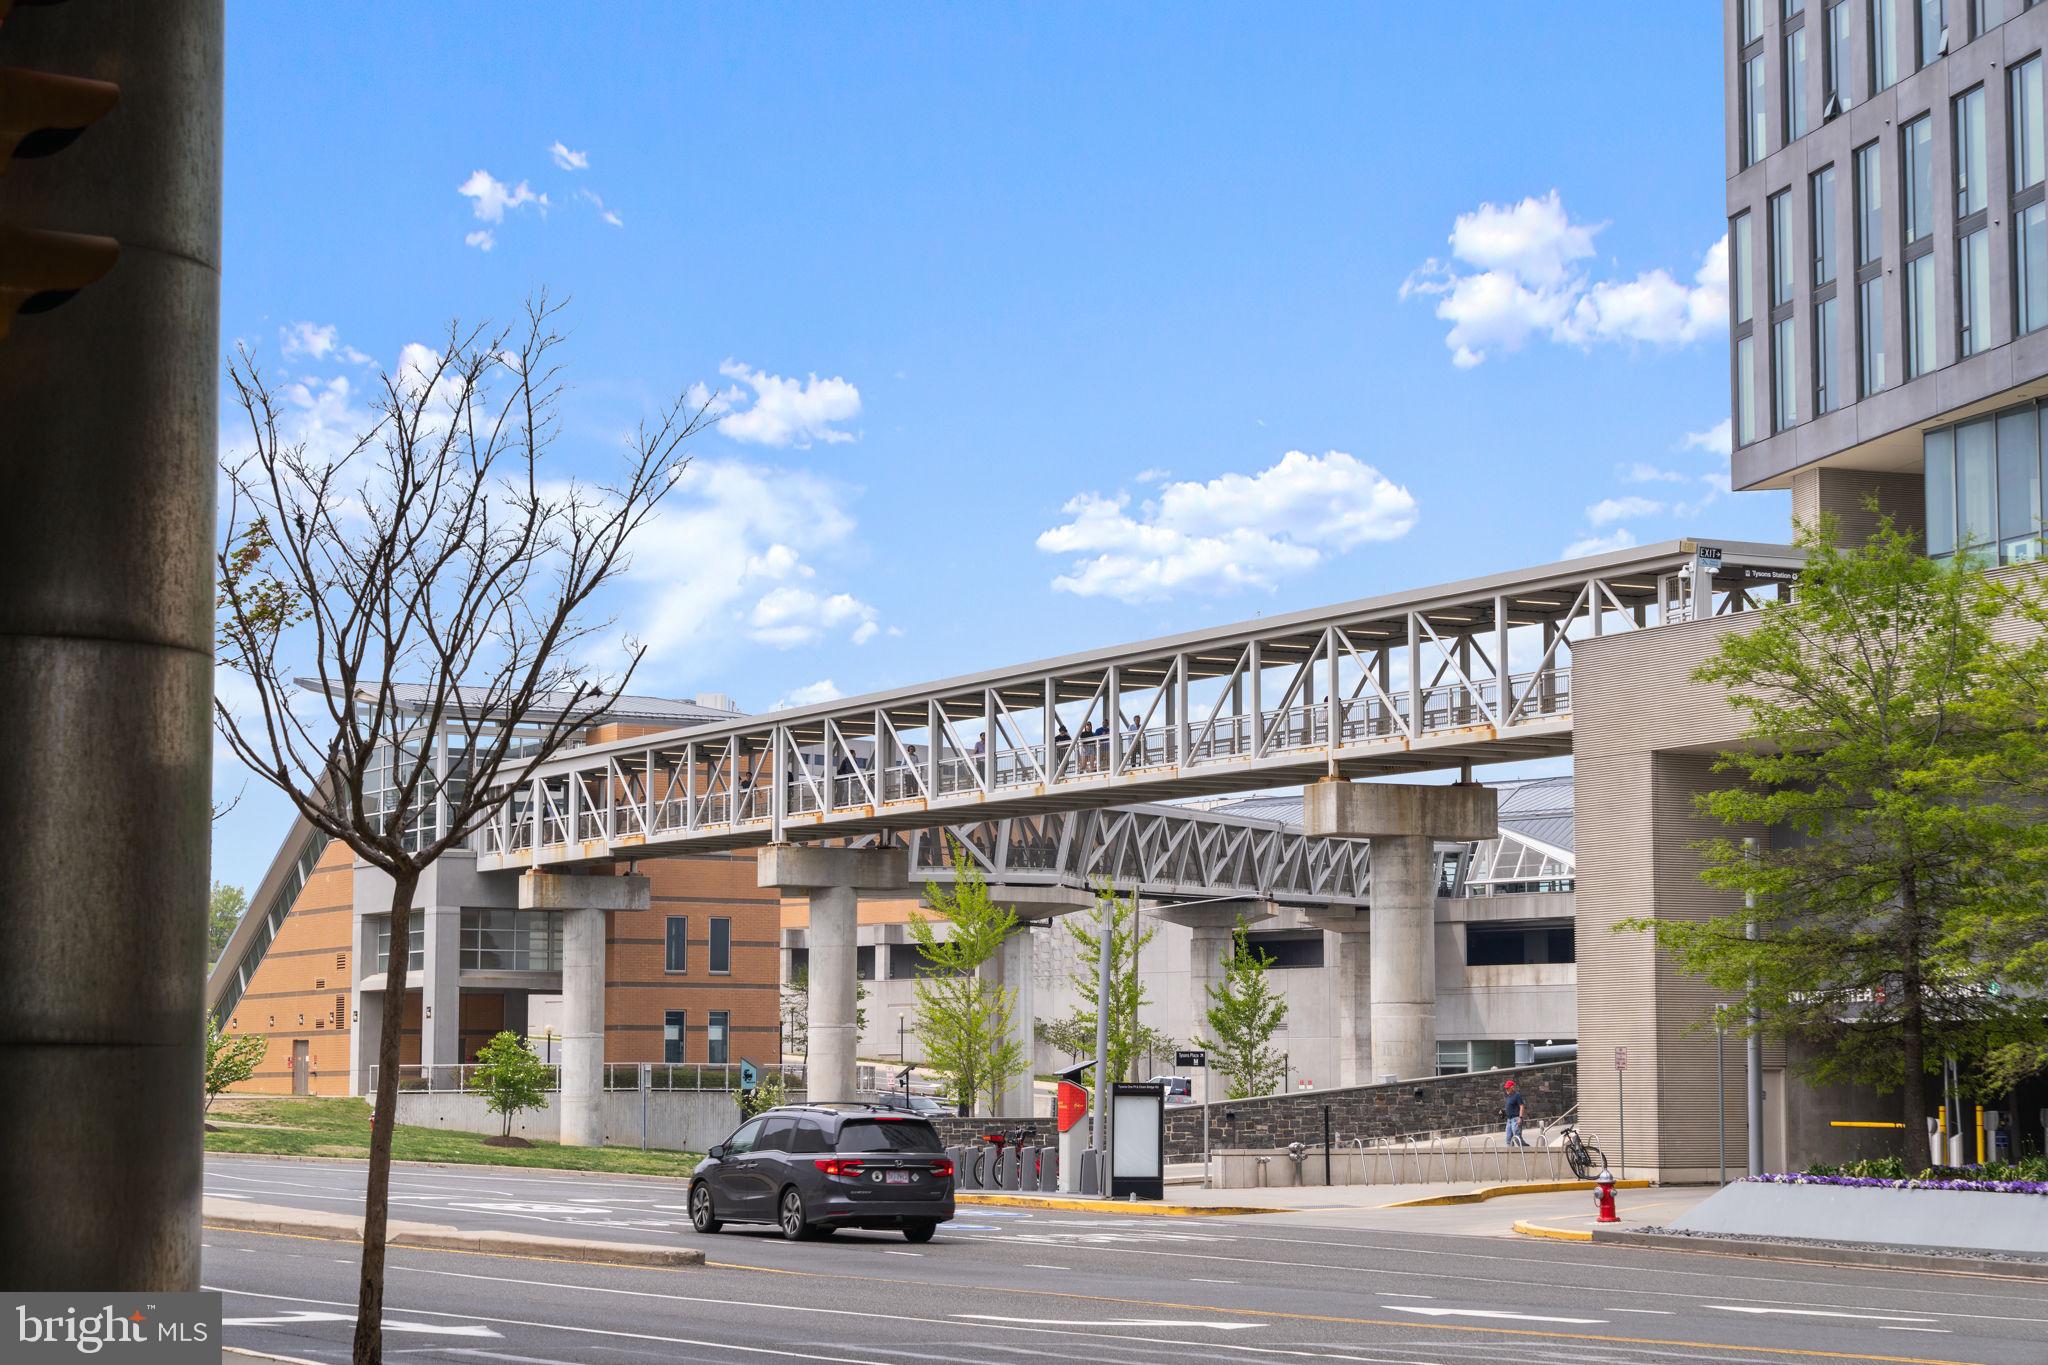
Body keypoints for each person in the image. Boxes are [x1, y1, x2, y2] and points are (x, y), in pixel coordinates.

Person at [1502, 1078, 1527, 1147]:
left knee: (1517, 1138)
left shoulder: (1517, 1095)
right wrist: (1504, 1112)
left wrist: (1520, 1117)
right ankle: (1510, 1155)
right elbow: (1509, 1107)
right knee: (1508, 1139)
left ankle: (1526, 1149)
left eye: (1508, 1088)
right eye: (1506, 1088)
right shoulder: (1508, 1097)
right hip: (1509, 1120)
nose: (1506, 1089)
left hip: (1516, 1119)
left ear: (1512, 1087)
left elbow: (1521, 1106)